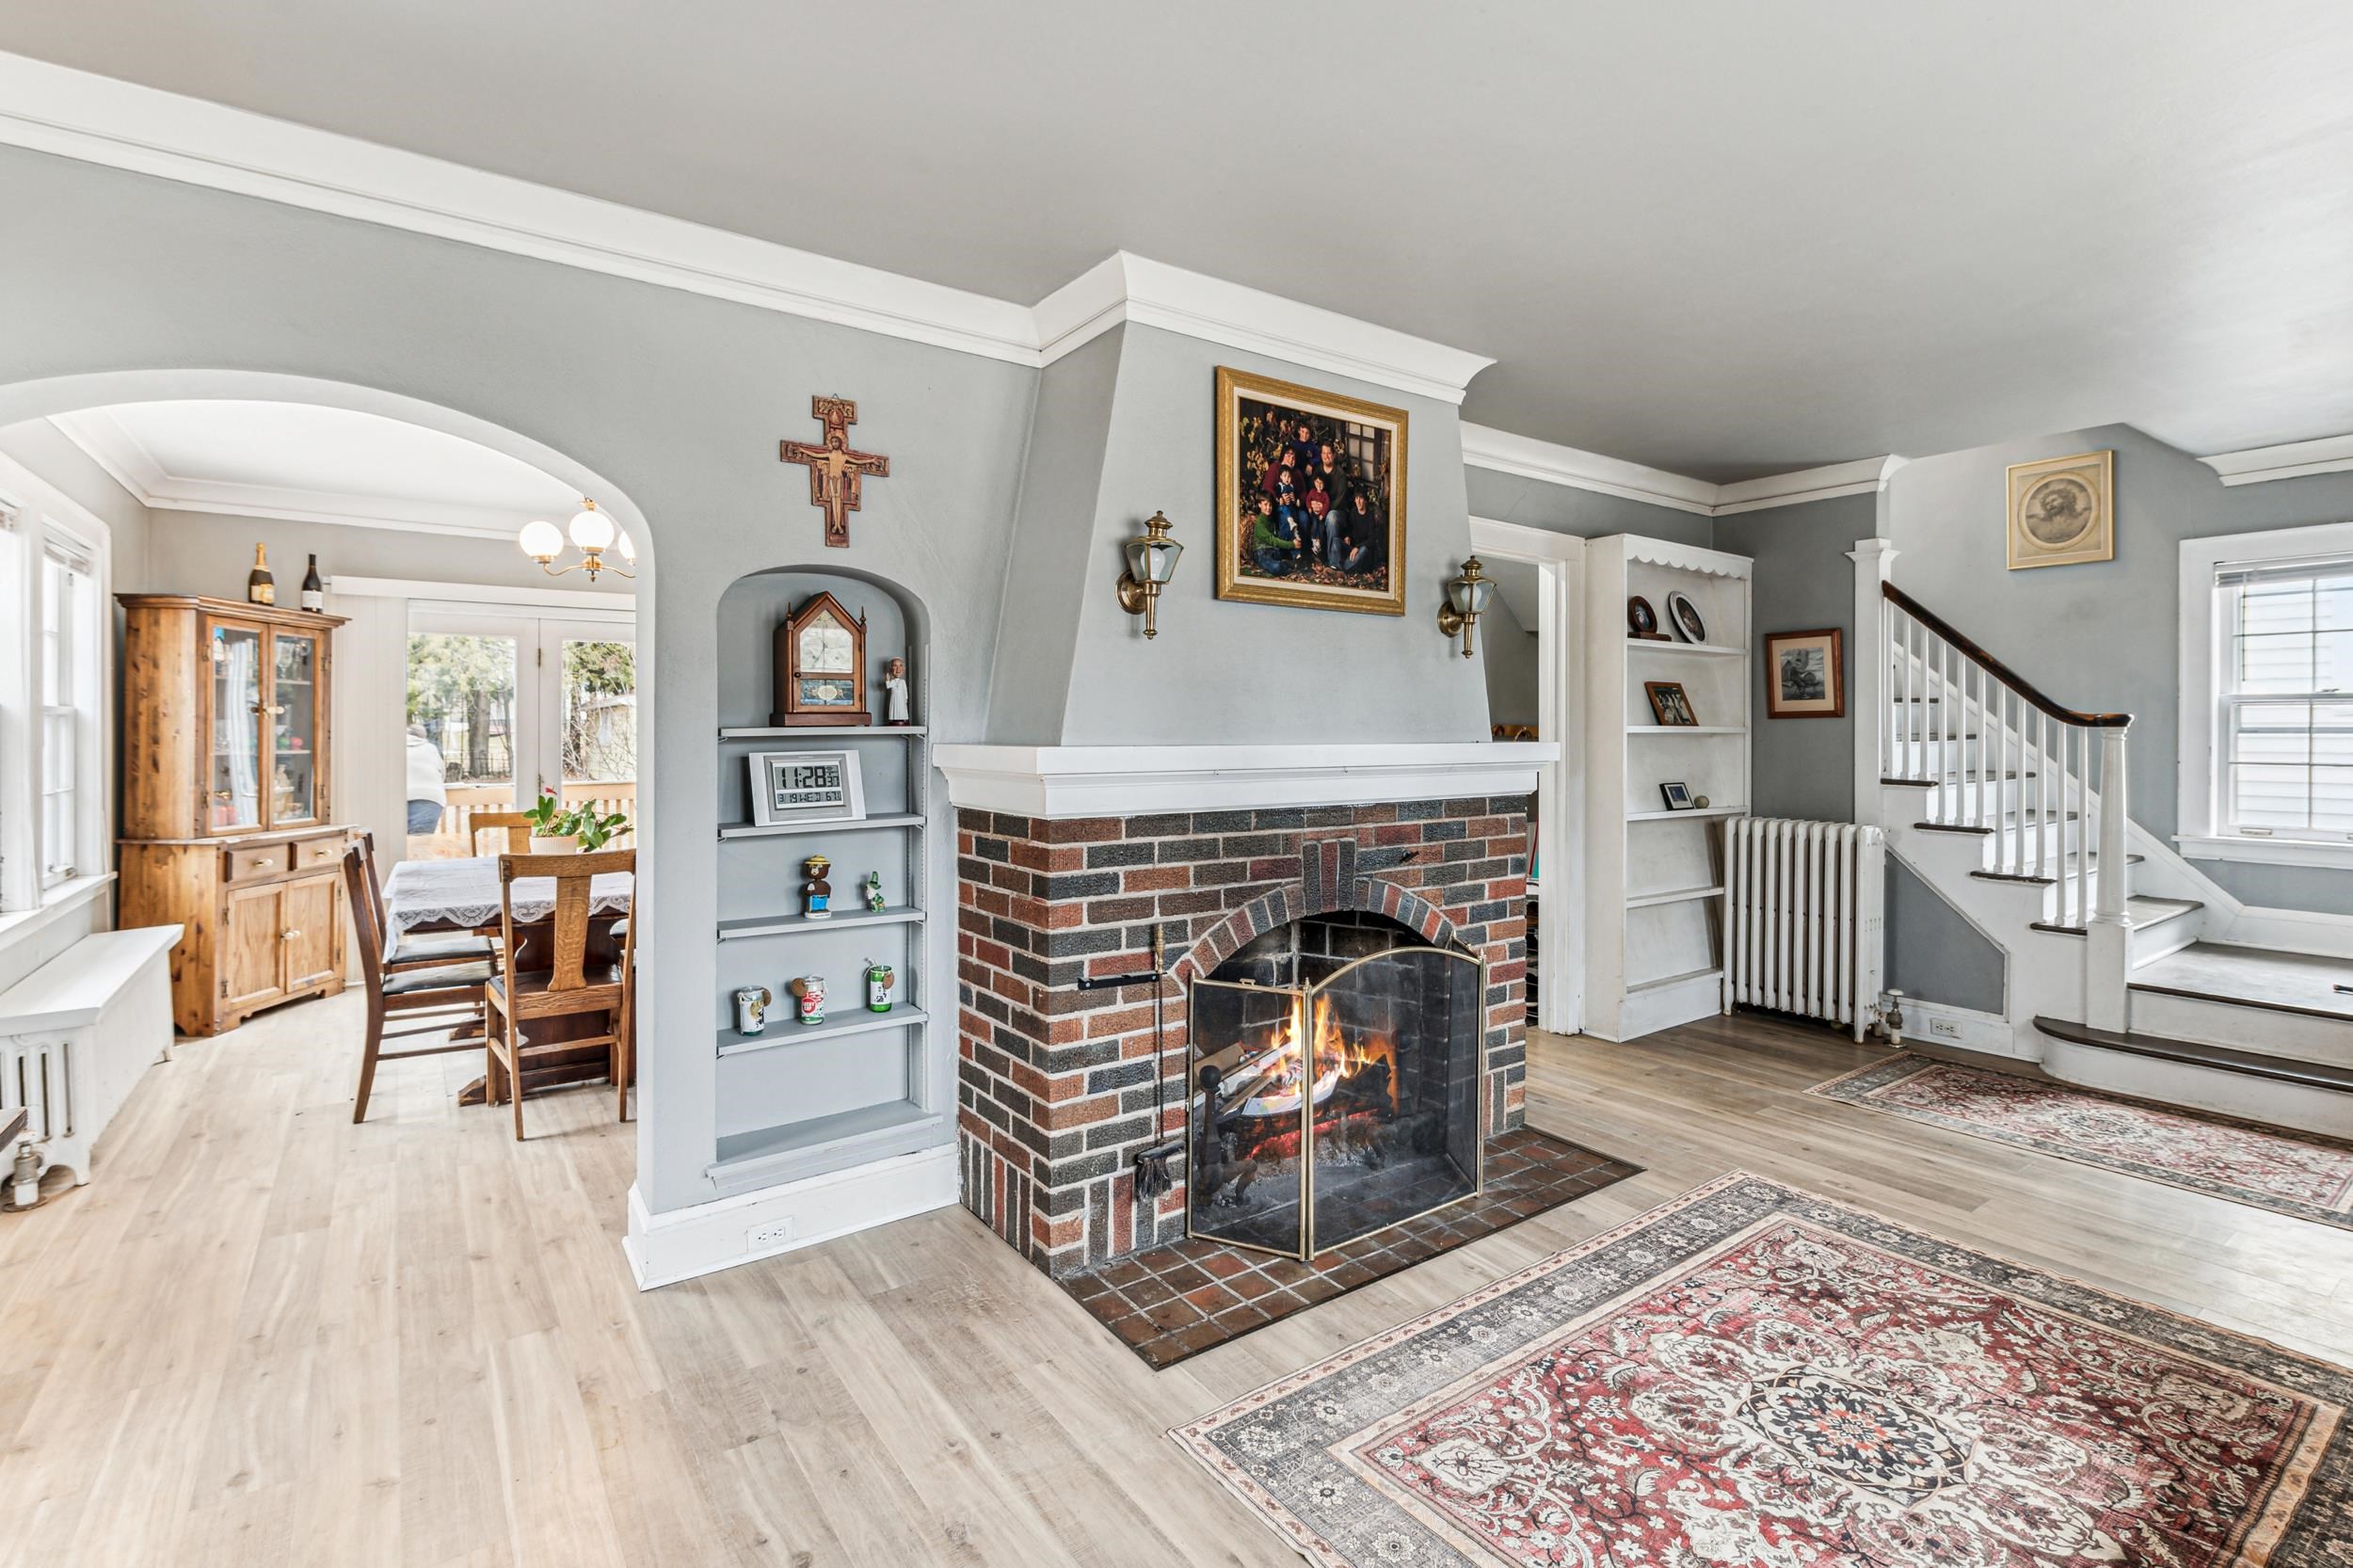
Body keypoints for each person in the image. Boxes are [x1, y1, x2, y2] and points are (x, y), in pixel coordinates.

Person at [405, 725, 447, 835]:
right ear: (423, 737)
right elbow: (442, 773)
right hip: (430, 799)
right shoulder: (431, 748)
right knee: (420, 842)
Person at [1335, 489, 1383, 576]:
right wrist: (1347, 536)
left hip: (1363, 554)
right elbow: (1348, 528)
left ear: (1365, 501)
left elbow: (1372, 540)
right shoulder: (1353, 512)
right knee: (1336, 541)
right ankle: (1335, 567)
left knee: (1364, 549)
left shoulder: (1370, 516)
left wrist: (1358, 547)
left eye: (1361, 498)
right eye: (1356, 498)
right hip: (1353, 550)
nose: (1358, 502)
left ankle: (1342, 571)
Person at [1248, 494, 1299, 576]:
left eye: (1270, 505)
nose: (1268, 508)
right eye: (1265, 504)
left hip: (1273, 550)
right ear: (1259, 505)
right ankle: (1286, 566)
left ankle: (1294, 560)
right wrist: (1292, 544)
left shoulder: (1270, 518)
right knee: (1276, 567)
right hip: (1262, 553)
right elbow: (1273, 540)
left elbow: (1276, 537)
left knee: (1286, 530)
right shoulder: (1260, 523)